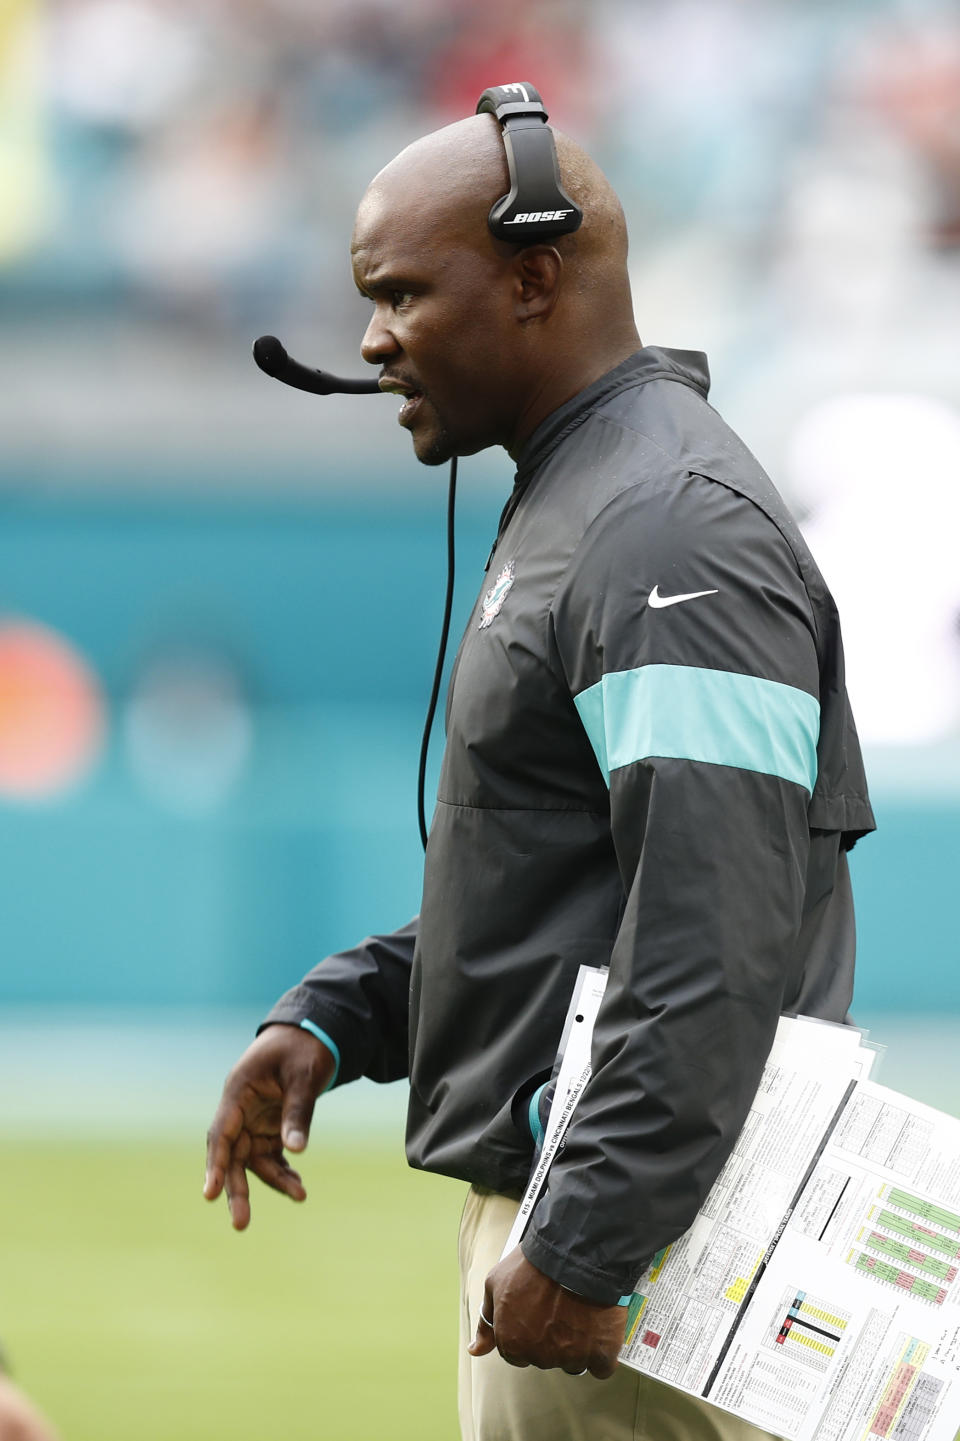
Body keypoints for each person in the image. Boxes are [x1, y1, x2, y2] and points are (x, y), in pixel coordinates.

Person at [205, 100, 874, 1441]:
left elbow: (713, 933)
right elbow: (578, 895)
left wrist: (587, 1240)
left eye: (401, 292)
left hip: (660, 1262)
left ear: (533, 275)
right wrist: (343, 1013)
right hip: (626, 1228)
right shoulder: (594, 500)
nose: (374, 338)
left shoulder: (664, 523)